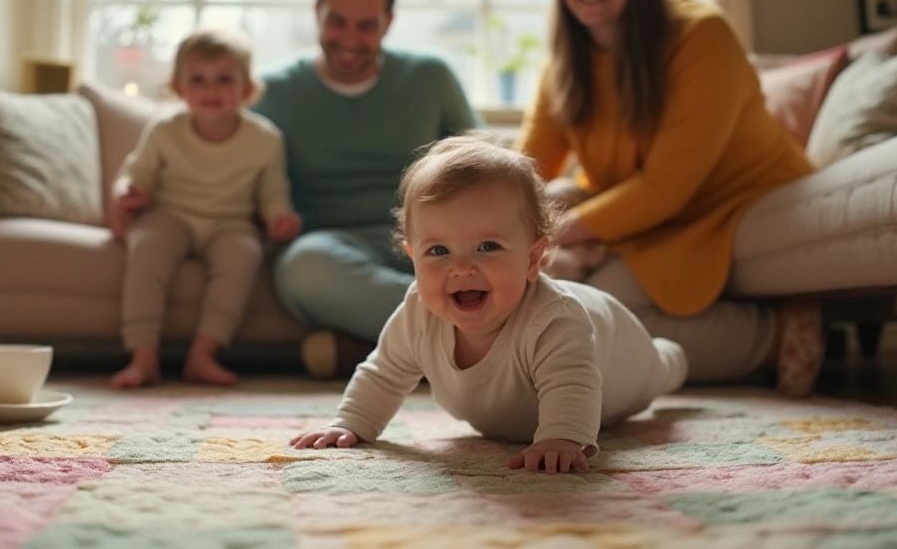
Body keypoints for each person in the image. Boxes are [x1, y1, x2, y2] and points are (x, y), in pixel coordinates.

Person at [516, 0, 822, 397]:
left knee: (597, 314)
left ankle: (774, 338)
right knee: (555, 207)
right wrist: (497, 232)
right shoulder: (564, 64)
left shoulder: (702, 35)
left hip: (728, 201)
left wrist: (553, 235)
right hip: (647, 211)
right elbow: (526, 170)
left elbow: (668, 185)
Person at [290, 136, 687, 474]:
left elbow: (573, 382)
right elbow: (384, 373)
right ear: (412, 256)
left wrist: (560, 438)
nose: (462, 267)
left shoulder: (554, 318)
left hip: (619, 353)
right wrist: (351, 423)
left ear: (533, 258)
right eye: (439, 250)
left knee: (659, 368)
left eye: (487, 247)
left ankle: (673, 358)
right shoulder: (418, 313)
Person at [250, 0, 481, 379]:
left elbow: (486, 165)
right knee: (303, 269)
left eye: (366, 25)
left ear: (389, 23)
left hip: (438, 242)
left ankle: (376, 350)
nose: (350, 40)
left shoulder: (430, 76)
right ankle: (478, 339)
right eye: (336, 20)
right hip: (336, 249)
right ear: (317, 12)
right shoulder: (272, 93)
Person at [108, 27, 302, 388]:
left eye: (224, 79)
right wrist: (128, 191)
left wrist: (280, 218)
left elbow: (272, 194)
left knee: (244, 253)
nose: (210, 89)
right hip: (169, 214)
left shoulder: (265, 139)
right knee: (147, 247)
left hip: (230, 221)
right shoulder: (165, 129)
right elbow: (136, 173)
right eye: (198, 79)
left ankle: (203, 354)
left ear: (245, 88)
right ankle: (143, 356)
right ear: (180, 87)